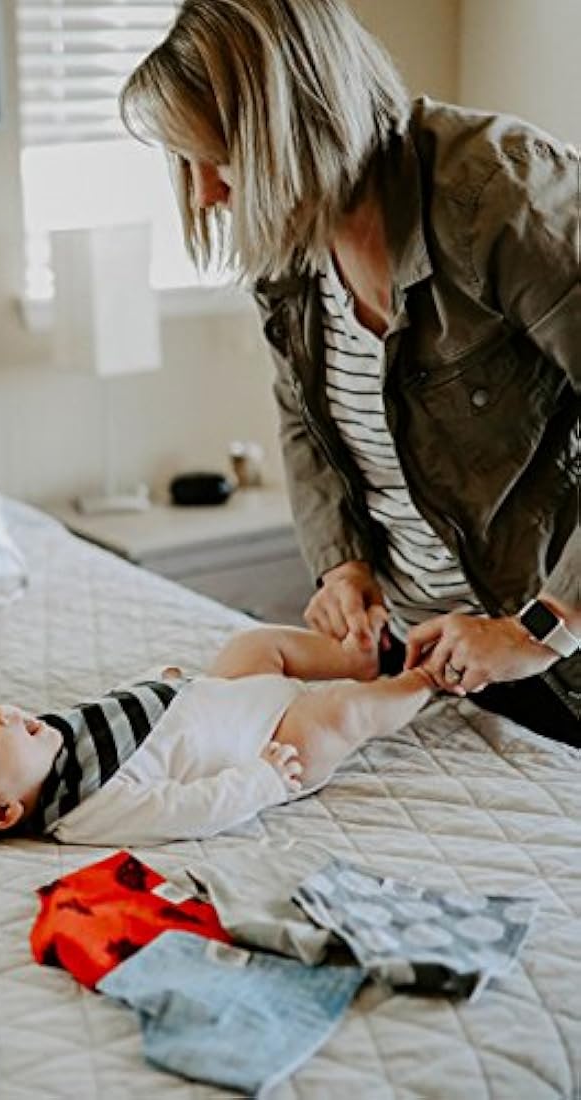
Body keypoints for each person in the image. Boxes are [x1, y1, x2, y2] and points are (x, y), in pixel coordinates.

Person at [118, 0, 580, 742]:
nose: (205, 192)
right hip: (432, 662)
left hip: (556, 664)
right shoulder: (291, 240)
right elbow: (304, 419)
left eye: (221, 157)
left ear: (296, 126)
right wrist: (343, 567)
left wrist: (541, 628)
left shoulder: (499, 193)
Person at [0, 625, 435, 846]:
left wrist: (159, 681)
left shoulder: (46, 737)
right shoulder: (85, 809)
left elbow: (119, 711)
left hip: (218, 694)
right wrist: (263, 781)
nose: (1, 714)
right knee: (336, 715)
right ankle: (427, 676)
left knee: (255, 644)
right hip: (269, 740)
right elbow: (189, 810)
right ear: (1, 813)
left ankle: (360, 656)